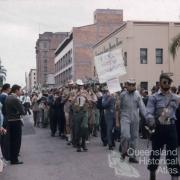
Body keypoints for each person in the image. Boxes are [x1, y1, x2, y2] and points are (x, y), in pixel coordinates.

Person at [146, 73, 180, 180]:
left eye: (169, 82)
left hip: (171, 128)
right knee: (155, 155)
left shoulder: (176, 98)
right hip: (159, 128)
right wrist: (152, 122)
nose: (167, 84)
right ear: (160, 82)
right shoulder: (153, 97)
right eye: (165, 81)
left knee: (173, 156)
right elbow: (148, 113)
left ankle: (174, 177)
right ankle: (152, 174)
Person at [120, 78, 146, 163]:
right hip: (125, 117)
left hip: (135, 118)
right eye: (129, 85)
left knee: (134, 138)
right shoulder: (122, 95)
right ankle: (124, 151)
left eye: (133, 85)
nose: (131, 86)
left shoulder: (137, 95)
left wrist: (147, 118)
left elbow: (142, 107)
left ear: (134, 85)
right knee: (125, 135)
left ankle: (132, 156)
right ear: (127, 85)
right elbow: (118, 107)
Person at [5, 84, 25, 165]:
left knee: (12, 140)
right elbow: (23, 111)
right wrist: (18, 111)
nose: (21, 92)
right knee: (17, 141)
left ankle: (12, 157)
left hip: (10, 120)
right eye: (20, 90)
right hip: (15, 121)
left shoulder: (8, 97)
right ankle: (14, 159)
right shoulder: (15, 99)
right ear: (16, 90)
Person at [0, 83, 11, 161]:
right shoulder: (4, 96)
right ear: (6, 88)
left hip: (3, 118)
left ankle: (5, 155)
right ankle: (6, 155)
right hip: (4, 119)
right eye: (9, 88)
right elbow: (6, 109)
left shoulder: (3, 96)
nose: (10, 89)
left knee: (4, 138)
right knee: (5, 138)